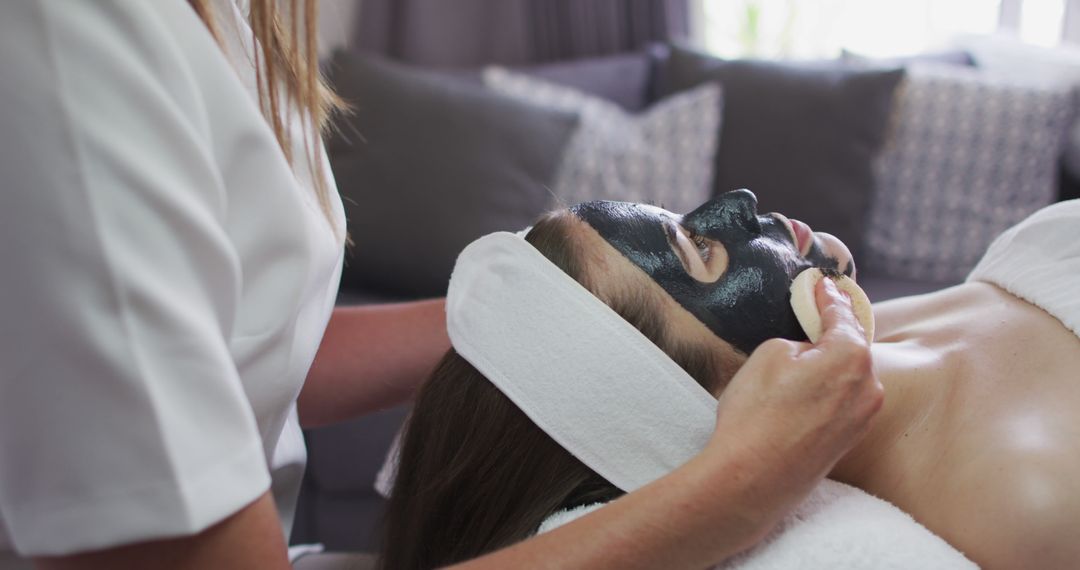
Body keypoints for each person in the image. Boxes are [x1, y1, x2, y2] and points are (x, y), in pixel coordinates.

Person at [0, 2, 882, 569]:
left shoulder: (237, 19)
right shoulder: (65, 40)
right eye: (694, 250)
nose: (744, 206)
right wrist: (741, 484)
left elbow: (238, 349)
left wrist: (543, 323)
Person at [383, 190, 1080, 570]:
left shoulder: (911, 326)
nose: (737, 203)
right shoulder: (1034, 499)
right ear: (719, 402)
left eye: (684, 218)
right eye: (703, 254)